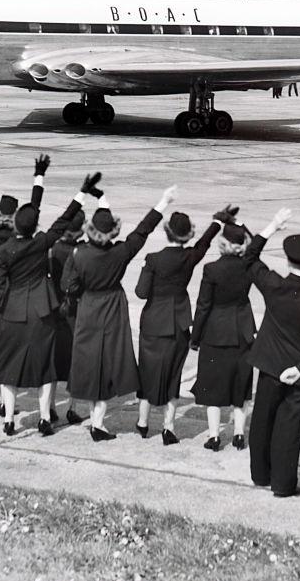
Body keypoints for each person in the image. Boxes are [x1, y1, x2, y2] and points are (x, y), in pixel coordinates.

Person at [0, 156, 89, 436]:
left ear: (14, 224)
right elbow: (62, 219)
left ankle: (8, 419)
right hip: (42, 312)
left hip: (14, 313)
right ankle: (44, 417)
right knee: (46, 368)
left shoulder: (3, 251)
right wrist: (80, 191)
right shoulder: (42, 242)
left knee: (9, 368)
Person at [64, 177, 174, 441]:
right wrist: (163, 202)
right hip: (113, 305)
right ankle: (97, 424)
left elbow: (69, 285)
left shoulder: (79, 254)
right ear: (112, 231)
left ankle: (95, 420)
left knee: (91, 361)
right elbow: (142, 231)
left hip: (89, 305)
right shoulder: (121, 252)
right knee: (111, 359)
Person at [245, 210, 300, 498]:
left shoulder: (274, 285)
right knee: (290, 426)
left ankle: (260, 474)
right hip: (299, 370)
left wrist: (272, 226)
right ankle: (283, 484)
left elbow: (249, 258)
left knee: (262, 420)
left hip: (270, 364)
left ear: (287, 259)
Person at [134, 208, 227, 444]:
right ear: (187, 235)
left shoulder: (153, 259)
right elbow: (204, 244)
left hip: (154, 321)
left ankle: (143, 423)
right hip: (179, 320)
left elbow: (141, 292)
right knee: (174, 374)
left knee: (147, 371)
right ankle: (168, 427)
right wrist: (217, 221)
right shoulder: (189, 257)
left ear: (167, 232)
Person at [0, 164, 39, 416]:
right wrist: (38, 179)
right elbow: (34, 210)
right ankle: (6, 395)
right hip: (12, 297)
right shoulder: (18, 240)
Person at [190, 222, 256, 451]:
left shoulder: (211, 269)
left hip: (216, 332)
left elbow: (203, 305)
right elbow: (255, 245)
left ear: (222, 244)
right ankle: (239, 434)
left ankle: (214, 436)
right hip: (243, 331)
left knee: (213, 386)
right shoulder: (249, 266)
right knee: (241, 385)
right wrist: (243, 227)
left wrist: (195, 337)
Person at [48, 210, 86, 425]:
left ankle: (51, 406)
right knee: (75, 361)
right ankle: (72, 407)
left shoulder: (52, 248)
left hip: (54, 306)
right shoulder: (79, 251)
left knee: (54, 360)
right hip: (73, 308)